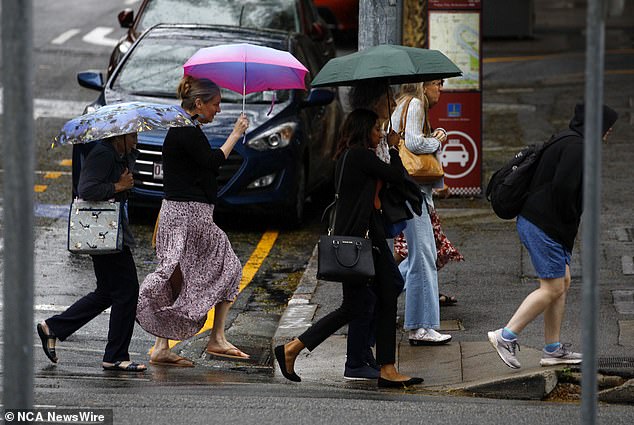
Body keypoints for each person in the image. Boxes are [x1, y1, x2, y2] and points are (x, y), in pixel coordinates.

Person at [274, 108, 423, 388]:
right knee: (389, 286)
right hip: (363, 241)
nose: (379, 133)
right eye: (376, 129)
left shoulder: (347, 157)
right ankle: (386, 368)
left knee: (360, 303)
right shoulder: (360, 156)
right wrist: (391, 148)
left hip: (358, 240)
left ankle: (294, 349)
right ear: (363, 130)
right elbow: (396, 176)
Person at [488, 103, 618, 369]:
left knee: (562, 281)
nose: (609, 132)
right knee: (553, 287)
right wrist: (570, 216)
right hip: (544, 225)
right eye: (607, 127)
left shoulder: (566, 139)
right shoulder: (578, 147)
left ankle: (552, 349)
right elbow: (563, 188)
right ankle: (505, 335)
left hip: (538, 223)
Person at [136, 76, 250, 367]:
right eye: (215, 104)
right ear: (198, 103)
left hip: (188, 214)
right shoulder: (186, 130)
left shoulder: (187, 128)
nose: (218, 111)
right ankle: (216, 339)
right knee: (226, 266)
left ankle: (165, 346)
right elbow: (212, 162)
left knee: (180, 276)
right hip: (188, 216)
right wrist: (236, 134)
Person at [37, 132, 147, 372]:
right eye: (133, 135)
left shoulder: (117, 153)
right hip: (104, 233)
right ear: (119, 138)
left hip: (108, 234)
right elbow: (86, 188)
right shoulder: (103, 154)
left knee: (107, 292)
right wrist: (118, 185)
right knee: (127, 291)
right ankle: (116, 355)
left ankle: (53, 327)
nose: (137, 138)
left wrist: (129, 160)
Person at [390, 81, 453, 346]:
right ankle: (421, 327)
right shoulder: (415, 104)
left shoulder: (400, 105)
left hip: (407, 191)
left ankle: (418, 324)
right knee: (423, 257)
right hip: (413, 192)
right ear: (423, 86)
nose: (440, 89)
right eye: (437, 84)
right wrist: (437, 139)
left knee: (418, 257)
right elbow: (415, 143)